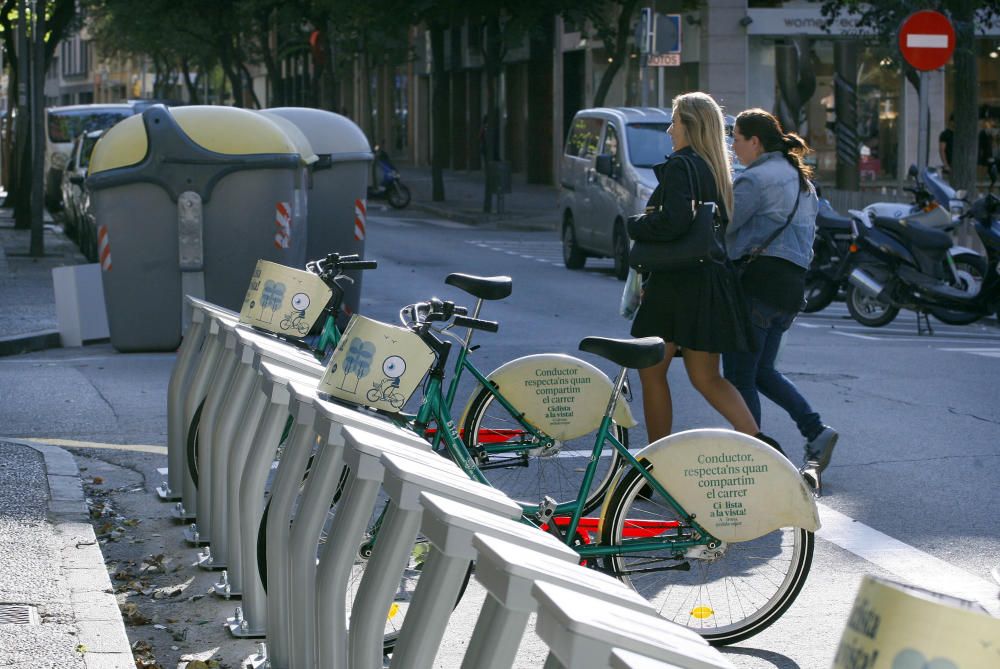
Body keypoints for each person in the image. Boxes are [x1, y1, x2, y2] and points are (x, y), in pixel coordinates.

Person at [627, 92, 772, 449]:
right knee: (707, 377)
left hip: (676, 284)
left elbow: (673, 223)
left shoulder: (681, 166)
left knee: (652, 371)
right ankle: (761, 445)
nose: (669, 129)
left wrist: (637, 225)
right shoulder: (715, 167)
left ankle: (654, 465)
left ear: (689, 125)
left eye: (674, 122)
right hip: (708, 283)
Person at [721, 108, 838, 488]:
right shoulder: (802, 181)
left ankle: (750, 460)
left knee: (739, 377)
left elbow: (725, 227)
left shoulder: (754, 179)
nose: (733, 147)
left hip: (756, 285)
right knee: (762, 371)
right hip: (790, 289)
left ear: (755, 141)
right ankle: (815, 429)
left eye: (736, 138)